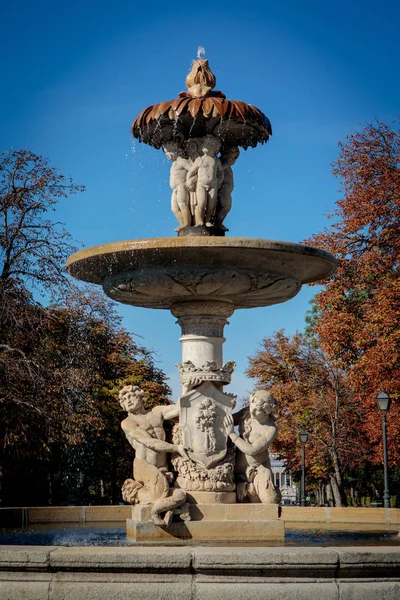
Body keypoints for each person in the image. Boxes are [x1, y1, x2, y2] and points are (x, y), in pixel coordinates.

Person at [119, 385, 188, 525]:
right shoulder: (127, 422)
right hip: (144, 467)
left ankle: (170, 509)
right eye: (124, 399)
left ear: (141, 397)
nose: (128, 400)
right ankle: (156, 510)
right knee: (164, 493)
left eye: (131, 396)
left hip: (162, 469)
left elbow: (179, 408)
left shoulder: (157, 412)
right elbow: (149, 442)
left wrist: (186, 387)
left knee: (179, 494)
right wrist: (176, 448)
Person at [224, 390, 281, 504]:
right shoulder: (246, 413)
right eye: (251, 406)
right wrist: (228, 408)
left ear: (266, 411)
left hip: (257, 469)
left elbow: (252, 450)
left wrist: (232, 434)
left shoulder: (270, 429)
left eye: (257, 410)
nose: (252, 412)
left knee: (269, 501)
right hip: (237, 469)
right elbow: (227, 420)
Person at [186, 135, 222, 226]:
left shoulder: (216, 160)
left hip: (213, 185)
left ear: (214, 147)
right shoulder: (200, 159)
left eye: (209, 144)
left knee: (211, 205)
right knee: (201, 203)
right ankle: (199, 221)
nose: (207, 146)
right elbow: (191, 172)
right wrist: (188, 180)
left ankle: (207, 220)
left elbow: (220, 173)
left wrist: (219, 182)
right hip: (201, 184)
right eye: (205, 143)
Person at [163, 141, 191, 230]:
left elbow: (193, 169)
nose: (167, 154)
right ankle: (182, 223)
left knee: (183, 204)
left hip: (181, 186)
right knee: (174, 208)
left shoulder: (182, 161)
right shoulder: (174, 163)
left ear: (176, 150)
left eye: (169, 151)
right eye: (166, 152)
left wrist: (191, 180)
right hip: (175, 189)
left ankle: (187, 223)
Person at [215, 146, 240, 230]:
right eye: (234, 156)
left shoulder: (226, 164)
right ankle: (218, 223)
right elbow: (218, 170)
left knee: (224, 207)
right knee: (226, 206)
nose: (234, 159)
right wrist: (228, 164)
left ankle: (218, 223)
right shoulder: (222, 163)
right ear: (227, 155)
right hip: (223, 188)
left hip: (226, 189)